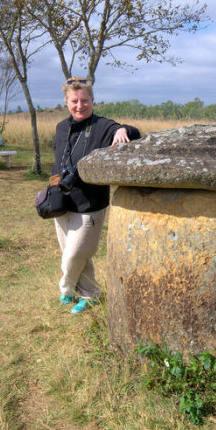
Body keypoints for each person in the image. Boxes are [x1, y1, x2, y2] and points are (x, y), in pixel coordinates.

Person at [51, 77, 140, 314]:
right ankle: (89, 295)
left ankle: (66, 288)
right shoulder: (61, 127)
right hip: (60, 201)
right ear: (66, 102)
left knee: (73, 255)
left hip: (90, 203)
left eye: (85, 100)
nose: (80, 105)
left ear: (92, 100)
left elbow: (133, 132)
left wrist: (123, 130)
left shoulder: (101, 126)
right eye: (74, 101)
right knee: (78, 256)